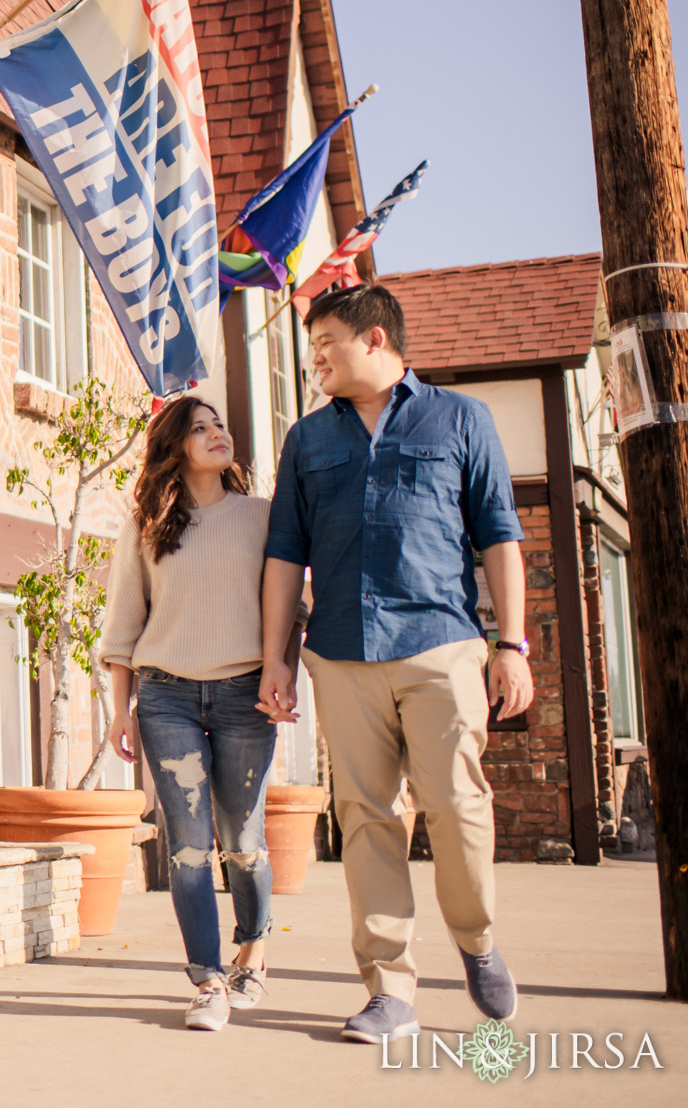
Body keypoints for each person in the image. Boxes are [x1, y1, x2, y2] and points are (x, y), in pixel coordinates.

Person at [257, 283, 533, 1043]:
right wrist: (275, 659)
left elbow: (500, 536)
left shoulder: (461, 419)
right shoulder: (307, 440)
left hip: (442, 643)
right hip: (341, 653)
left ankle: (475, 938)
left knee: (457, 805)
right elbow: (285, 555)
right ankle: (390, 988)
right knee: (366, 819)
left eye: (326, 342)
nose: (315, 356)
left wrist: (511, 644)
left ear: (375, 340)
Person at [101, 396, 285, 1032]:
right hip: (166, 697)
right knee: (186, 848)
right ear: (176, 446)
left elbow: (291, 604)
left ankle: (253, 952)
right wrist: (119, 710)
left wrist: (280, 673)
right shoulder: (147, 524)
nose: (217, 434)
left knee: (244, 843)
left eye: (221, 425)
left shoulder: (262, 517)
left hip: (244, 696)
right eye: (200, 428)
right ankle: (207, 980)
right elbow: (124, 623)